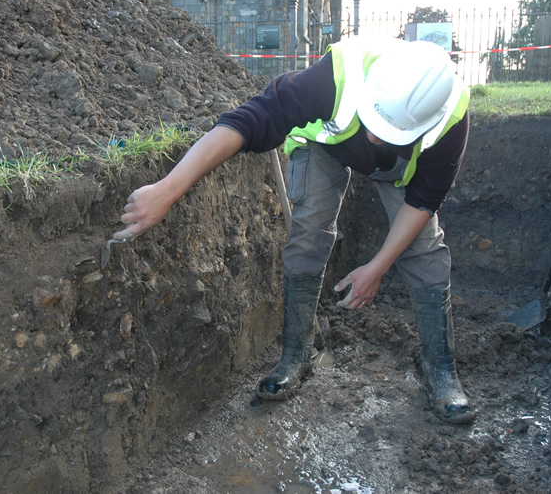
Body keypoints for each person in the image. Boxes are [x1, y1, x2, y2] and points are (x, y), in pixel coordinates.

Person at [113, 36, 474, 424]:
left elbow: (423, 200)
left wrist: (378, 267)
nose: (372, 137)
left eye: (388, 132)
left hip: (403, 170)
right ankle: (296, 354)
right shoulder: (337, 76)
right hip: (326, 146)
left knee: (424, 252)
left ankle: (440, 367)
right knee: (308, 233)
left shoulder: (450, 117)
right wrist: (167, 189)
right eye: (374, 121)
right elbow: (247, 120)